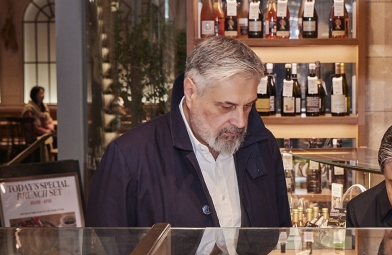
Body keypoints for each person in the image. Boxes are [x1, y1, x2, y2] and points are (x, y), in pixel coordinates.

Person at [86, 36, 291, 228]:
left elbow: (283, 243)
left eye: (248, 106)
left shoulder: (264, 146)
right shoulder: (128, 157)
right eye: (226, 107)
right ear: (191, 92)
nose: (240, 121)